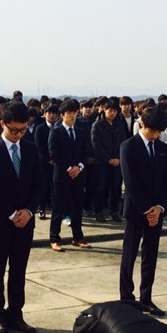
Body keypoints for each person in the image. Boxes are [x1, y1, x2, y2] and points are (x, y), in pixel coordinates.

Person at [0, 102, 44, 333]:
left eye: (22, 130)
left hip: (25, 220)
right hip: (0, 219)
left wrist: (28, 211)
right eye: (13, 130)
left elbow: (39, 184)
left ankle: (16, 313)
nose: (18, 135)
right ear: (2, 124)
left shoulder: (31, 149)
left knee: (19, 269)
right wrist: (11, 213)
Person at [119, 105, 167, 317]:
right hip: (136, 211)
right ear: (142, 124)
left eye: (159, 131)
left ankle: (146, 298)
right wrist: (146, 210)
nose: (155, 135)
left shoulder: (162, 148)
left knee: (150, 255)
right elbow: (130, 183)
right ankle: (127, 298)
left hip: (156, 212)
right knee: (130, 255)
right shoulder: (128, 147)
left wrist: (159, 207)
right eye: (152, 130)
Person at [48, 99, 90, 252]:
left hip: (78, 175)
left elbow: (86, 152)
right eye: (69, 113)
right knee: (58, 208)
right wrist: (69, 168)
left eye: (74, 113)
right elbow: (54, 154)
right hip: (62, 175)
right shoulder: (56, 131)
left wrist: (79, 167)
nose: (72, 116)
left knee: (77, 207)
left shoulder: (81, 131)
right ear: (62, 115)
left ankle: (78, 237)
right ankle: (54, 239)